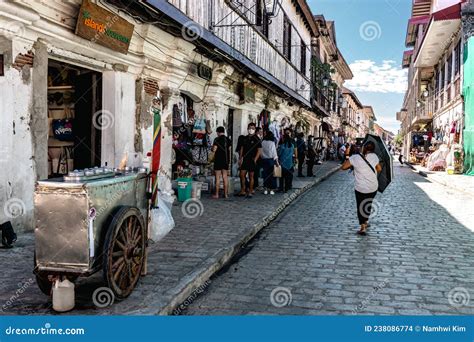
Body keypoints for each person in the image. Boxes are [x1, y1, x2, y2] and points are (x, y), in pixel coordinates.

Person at [341, 141, 382, 235]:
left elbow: (343, 167)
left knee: (360, 205)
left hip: (361, 187)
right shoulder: (375, 157)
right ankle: (366, 221)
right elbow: (379, 169)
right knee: (368, 203)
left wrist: (353, 166)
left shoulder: (355, 157)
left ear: (364, 148)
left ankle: (363, 227)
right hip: (373, 186)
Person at [237, 123, 262, 198]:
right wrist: (240, 158)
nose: (251, 129)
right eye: (250, 128)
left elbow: (259, 150)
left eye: (253, 128)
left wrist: (255, 159)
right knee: (241, 175)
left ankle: (250, 191)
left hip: (252, 160)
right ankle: (243, 190)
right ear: (247, 128)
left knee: (251, 176)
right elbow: (241, 148)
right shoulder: (244, 138)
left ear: (254, 129)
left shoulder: (257, 139)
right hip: (244, 159)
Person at [211, 126, 232, 199]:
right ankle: (226, 194)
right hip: (225, 160)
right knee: (225, 177)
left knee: (217, 178)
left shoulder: (216, 139)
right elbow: (229, 150)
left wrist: (212, 148)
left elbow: (214, 150)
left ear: (218, 132)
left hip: (218, 160)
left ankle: (216, 194)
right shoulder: (228, 140)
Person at [278, 128, 297, 193]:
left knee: (281, 177)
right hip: (289, 163)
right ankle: (286, 188)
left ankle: (281, 188)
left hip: (283, 163)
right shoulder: (291, 145)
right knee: (287, 177)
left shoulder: (283, 146)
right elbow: (294, 152)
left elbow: (279, 154)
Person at [261, 130, 278, 195]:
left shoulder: (263, 142)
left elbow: (261, 152)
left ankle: (265, 189)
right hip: (271, 160)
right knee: (272, 175)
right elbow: (274, 153)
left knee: (265, 175)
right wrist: (277, 161)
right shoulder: (272, 143)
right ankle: (271, 190)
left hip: (264, 160)